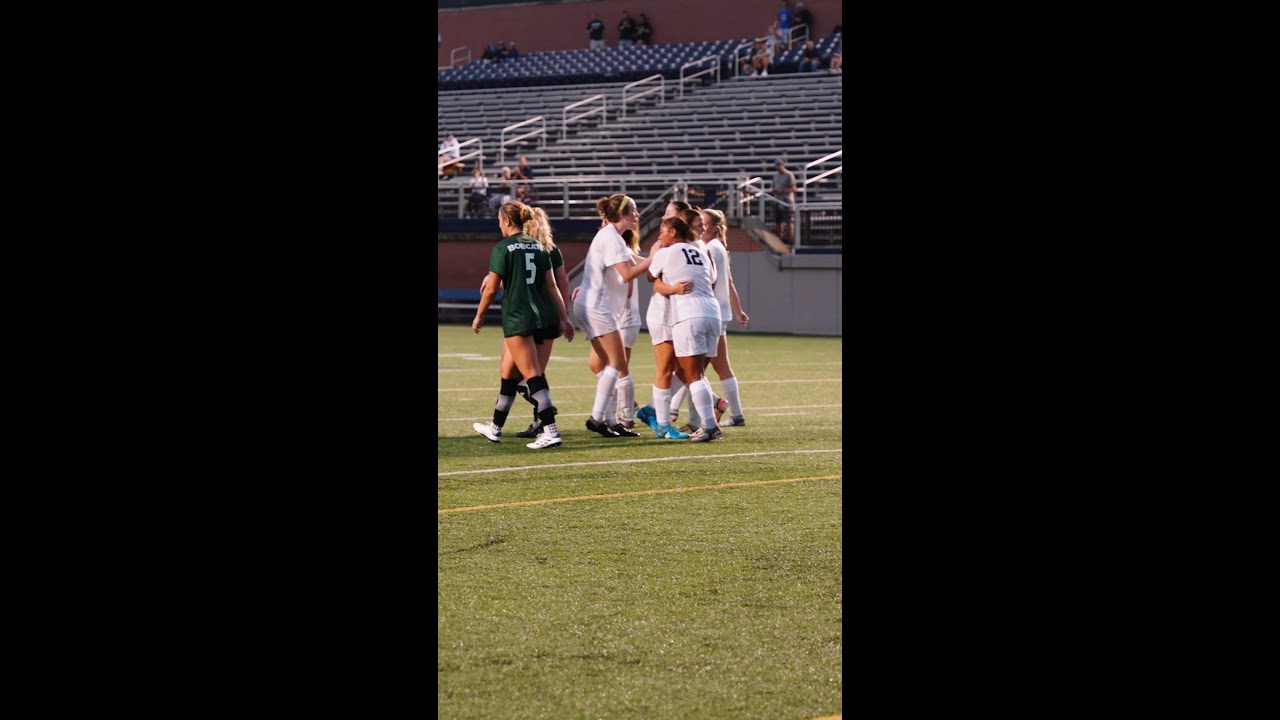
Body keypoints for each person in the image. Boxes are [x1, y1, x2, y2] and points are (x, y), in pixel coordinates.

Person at [472, 201, 575, 449]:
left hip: (518, 316)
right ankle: (495, 429)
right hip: (540, 315)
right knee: (508, 374)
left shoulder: (503, 248)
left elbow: (491, 288)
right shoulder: (540, 246)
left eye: (499, 220)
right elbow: (553, 286)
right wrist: (564, 317)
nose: (499, 225)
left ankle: (550, 430)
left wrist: (479, 315)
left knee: (532, 375)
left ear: (507, 221)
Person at [571, 194, 657, 438]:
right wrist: (655, 258)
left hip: (590, 304)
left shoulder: (613, 237)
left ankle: (610, 420)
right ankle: (598, 417)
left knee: (606, 364)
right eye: (634, 210)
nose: (637, 215)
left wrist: (657, 260)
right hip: (597, 306)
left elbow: (634, 262)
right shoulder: (611, 237)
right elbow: (628, 274)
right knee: (617, 363)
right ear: (622, 214)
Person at [646, 214, 724, 442]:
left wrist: (672, 288)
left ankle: (710, 426)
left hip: (689, 315)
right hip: (712, 313)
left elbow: (652, 278)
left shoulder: (665, 252)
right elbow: (711, 281)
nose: (660, 236)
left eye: (662, 231)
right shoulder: (700, 251)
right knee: (697, 373)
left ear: (673, 232)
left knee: (692, 375)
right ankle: (709, 424)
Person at [700, 209, 749, 426]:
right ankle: (736, 415)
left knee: (693, 369)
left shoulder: (710, 248)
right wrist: (738, 311)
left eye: (703, 223)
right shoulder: (720, 247)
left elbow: (709, 281)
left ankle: (670, 413)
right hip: (721, 312)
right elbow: (729, 283)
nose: (699, 226)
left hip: (712, 312)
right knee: (721, 366)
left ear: (712, 227)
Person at [771, 158, 797, 241]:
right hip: (778, 200)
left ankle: (791, 237)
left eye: (779, 166)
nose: (777, 168)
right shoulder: (775, 176)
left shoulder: (789, 174)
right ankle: (780, 236)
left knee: (789, 220)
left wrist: (783, 191)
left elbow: (793, 188)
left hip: (787, 200)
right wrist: (775, 191)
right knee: (778, 219)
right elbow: (773, 187)